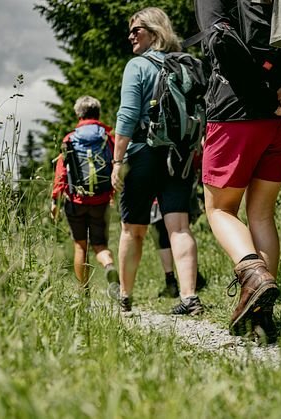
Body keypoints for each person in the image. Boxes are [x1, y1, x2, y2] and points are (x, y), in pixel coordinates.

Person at [194, 0, 281, 340]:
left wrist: (265, 94)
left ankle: (252, 275)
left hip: (238, 111)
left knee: (220, 209)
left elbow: (219, 41)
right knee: (262, 213)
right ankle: (261, 320)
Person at [111, 7, 203, 315]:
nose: (130, 36)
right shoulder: (182, 64)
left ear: (154, 32)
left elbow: (126, 115)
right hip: (178, 154)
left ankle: (124, 295)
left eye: (136, 30)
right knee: (179, 225)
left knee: (131, 229)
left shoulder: (137, 65)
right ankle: (189, 297)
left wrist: (116, 161)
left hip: (143, 152)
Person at [51, 95, 118, 295]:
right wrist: (114, 193)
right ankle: (108, 266)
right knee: (100, 245)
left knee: (80, 246)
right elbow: (116, 166)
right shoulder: (108, 138)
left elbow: (61, 173)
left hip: (76, 201)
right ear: (97, 113)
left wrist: (55, 200)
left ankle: (84, 292)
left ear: (78, 115)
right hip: (101, 199)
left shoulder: (70, 139)